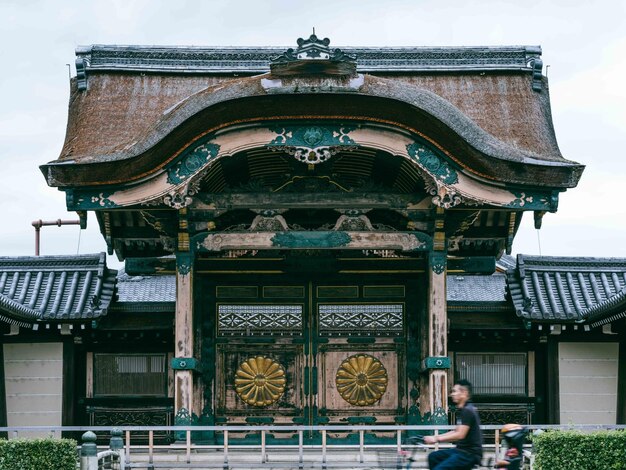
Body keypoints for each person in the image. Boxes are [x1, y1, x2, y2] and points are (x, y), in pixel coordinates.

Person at [423, 379, 483, 470]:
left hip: (469, 454)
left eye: (455, 391)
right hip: (460, 451)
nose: (452, 394)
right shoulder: (464, 410)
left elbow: (460, 435)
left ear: (464, 393)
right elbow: (455, 431)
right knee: (433, 457)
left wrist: (436, 439)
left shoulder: (468, 410)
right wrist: (435, 437)